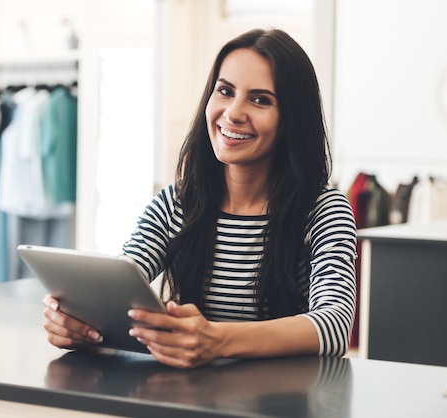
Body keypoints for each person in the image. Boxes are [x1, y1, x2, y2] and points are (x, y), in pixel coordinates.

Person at [43, 28, 357, 369]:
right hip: (191, 397)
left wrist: (218, 340)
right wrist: (78, 319)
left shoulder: (324, 210)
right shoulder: (176, 203)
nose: (233, 113)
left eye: (260, 99)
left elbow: (335, 324)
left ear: (292, 120)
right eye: (225, 91)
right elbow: (121, 281)